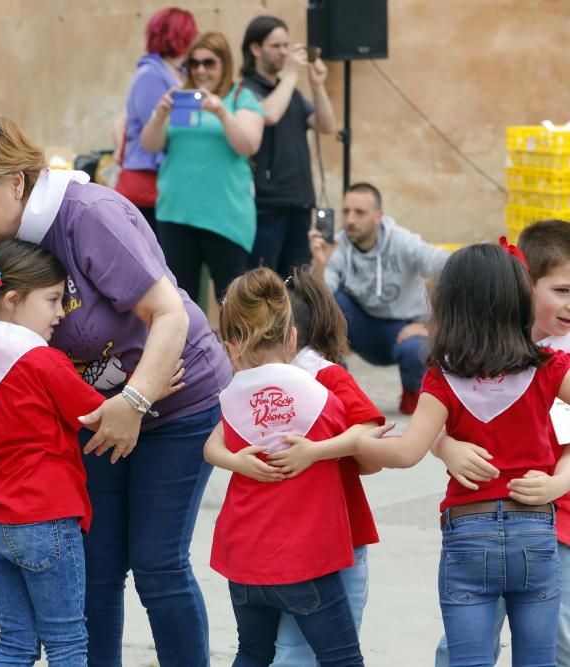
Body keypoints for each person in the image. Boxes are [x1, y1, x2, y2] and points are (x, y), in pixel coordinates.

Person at [0, 117, 230, 667]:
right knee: (96, 564)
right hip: (96, 415)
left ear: (16, 182)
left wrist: (135, 402)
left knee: (158, 564)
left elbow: (167, 314)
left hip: (175, 401)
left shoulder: (91, 215)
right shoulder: (2, 243)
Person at [359, 242, 570, 666]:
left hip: (469, 534)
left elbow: (405, 454)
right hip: (535, 530)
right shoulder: (548, 367)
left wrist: (355, 442)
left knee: (467, 660)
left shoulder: (442, 380)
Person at [204, 267, 364, 666]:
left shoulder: (229, 399)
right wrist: (318, 449)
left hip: (242, 561)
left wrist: (234, 461)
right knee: (342, 658)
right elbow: (365, 441)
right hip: (304, 558)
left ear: (231, 347)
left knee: (252, 654)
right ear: (292, 339)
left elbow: (211, 444)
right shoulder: (320, 396)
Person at [432, 219, 570, 666]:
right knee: (464, 645)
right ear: (522, 284)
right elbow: (434, 419)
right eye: (562, 290)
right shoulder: (480, 352)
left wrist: (557, 484)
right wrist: (445, 446)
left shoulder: (554, 364)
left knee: (556, 643)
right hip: (509, 522)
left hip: (549, 519)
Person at [0, 239, 104, 665]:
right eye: (53, 299)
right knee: (66, 643)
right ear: (12, 300)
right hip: (44, 514)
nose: (61, 313)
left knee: (16, 641)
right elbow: (95, 414)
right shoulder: (43, 360)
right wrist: (145, 392)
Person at [269, 268, 385, 665]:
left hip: (325, 540)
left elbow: (370, 438)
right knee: (304, 654)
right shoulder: (277, 380)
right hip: (307, 541)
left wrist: (314, 452)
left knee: (306, 652)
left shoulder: (324, 375)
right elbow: (370, 457)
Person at [141, 31, 265, 304]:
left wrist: (221, 112)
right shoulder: (180, 99)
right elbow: (150, 145)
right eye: (194, 63)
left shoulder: (240, 98)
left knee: (233, 303)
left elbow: (248, 145)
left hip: (225, 216)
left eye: (209, 63)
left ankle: (232, 349)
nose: (200, 70)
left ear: (225, 64)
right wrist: (159, 115)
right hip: (176, 213)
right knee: (181, 301)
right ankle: (188, 349)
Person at [309, 183, 450, 414]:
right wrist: (320, 264)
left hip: (406, 329)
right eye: (346, 211)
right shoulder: (337, 245)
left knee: (415, 349)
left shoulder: (402, 241)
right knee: (331, 303)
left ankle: (413, 393)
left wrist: (432, 325)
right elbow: (319, 296)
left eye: (359, 212)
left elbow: (444, 266)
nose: (350, 219)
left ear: (378, 216)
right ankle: (336, 390)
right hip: (364, 330)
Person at [239, 15, 337, 278]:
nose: (284, 52)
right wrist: (293, 73)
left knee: (297, 287)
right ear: (255, 48)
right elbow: (268, 114)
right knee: (263, 287)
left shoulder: (290, 92)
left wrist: (317, 86)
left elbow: (327, 125)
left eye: (286, 45)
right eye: (276, 46)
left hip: (299, 204)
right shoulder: (245, 91)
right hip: (267, 207)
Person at [116, 7, 197, 234]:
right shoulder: (150, 74)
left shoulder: (172, 71)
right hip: (148, 176)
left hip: (168, 179)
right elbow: (155, 126)